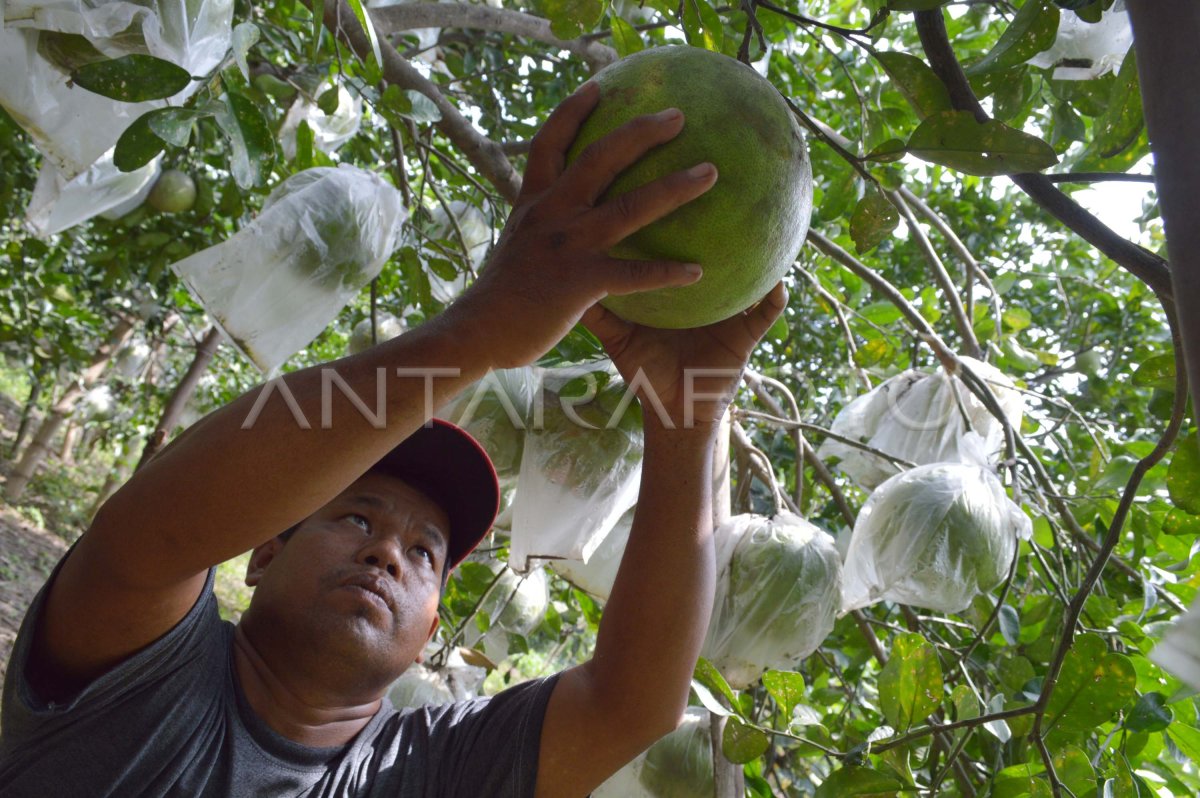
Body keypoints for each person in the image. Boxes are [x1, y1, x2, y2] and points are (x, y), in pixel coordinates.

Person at [0, 81, 786, 796]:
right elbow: (160, 530)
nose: (386, 555)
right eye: (357, 518)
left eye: (424, 555)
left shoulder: (432, 769)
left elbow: (628, 710)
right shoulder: (148, 675)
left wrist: (688, 420)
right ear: (263, 553)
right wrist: (472, 333)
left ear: (430, 631)